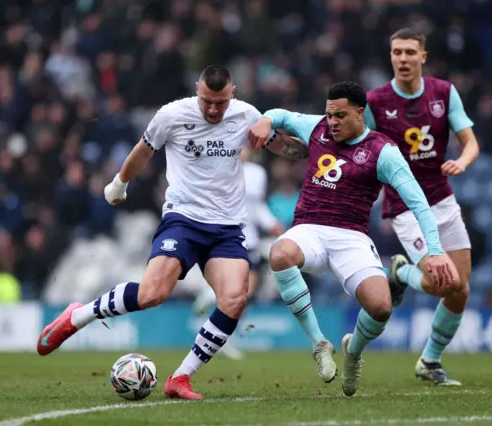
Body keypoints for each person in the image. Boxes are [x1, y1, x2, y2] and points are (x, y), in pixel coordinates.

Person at [36, 65, 280, 401]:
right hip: (184, 219)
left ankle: (180, 377)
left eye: (220, 103)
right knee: (153, 293)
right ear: (197, 89)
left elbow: (285, 147)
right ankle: (78, 316)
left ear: (232, 94)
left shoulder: (246, 115)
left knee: (235, 299)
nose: (212, 109)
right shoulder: (172, 115)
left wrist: (274, 123)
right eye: (207, 100)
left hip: (226, 227)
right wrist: (119, 183)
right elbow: (143, 151)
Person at [249, 81, 455, 397]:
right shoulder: (316, 127)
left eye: (340, 116)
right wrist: (265, 120)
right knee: (279, 254)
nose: (332, 122)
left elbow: (418, 203)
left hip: (352, 237)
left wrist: (436, 251)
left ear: (360, 113)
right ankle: (319, 344)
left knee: (381, 307)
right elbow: (282, 116)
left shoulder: (382, 151)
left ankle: (353, 352)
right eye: (330, 115)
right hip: (311, 229)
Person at [364, 28, 480, 386]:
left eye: (410, 52)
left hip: (442, 199)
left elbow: (470, 142)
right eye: (396, 52)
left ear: (423, 57)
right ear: (391, 57)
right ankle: (400, 272)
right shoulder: (376, 101)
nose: (402, 59)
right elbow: (361, 148)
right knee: (439, 283)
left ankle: (429, 361)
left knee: (461, 289)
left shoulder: (443, 93)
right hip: (404, 205)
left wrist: (463, 161)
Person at [192, 145, 285, 360]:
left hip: (250, 238)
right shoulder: (219, 170)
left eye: (245, 147)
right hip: (227, 236)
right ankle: (215, 313)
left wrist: (272, 223)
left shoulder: (257, 173)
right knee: (238, 291)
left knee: (244, 293)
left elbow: (257, 206)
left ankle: (221, 333)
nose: (242, 151)